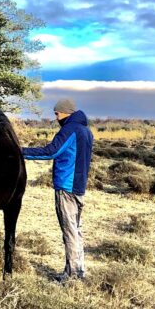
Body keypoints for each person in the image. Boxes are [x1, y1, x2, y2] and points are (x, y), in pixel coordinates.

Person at [22, 98, 94, 283]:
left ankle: (71, 276)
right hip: (79, 187)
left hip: (66, 187)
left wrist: (18, 151)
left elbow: (51, 151)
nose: (56, 118)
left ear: (66, 113)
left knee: (69, 231)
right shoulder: (86, 131)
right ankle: (79, 270)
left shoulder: (70, 129)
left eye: (57, 114)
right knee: (76, 230)